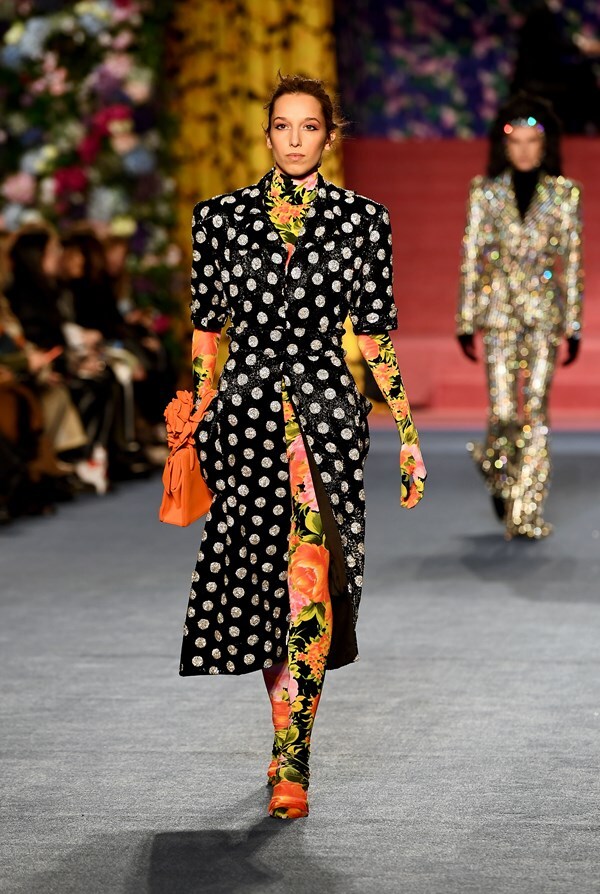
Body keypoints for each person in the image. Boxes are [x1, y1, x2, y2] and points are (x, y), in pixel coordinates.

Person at [179, 74, 427, 819]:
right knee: (262, 590)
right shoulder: (219, 219)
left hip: (325, 420)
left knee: (311, 582)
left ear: (329, 135)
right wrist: (193, 418)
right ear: (266, 135)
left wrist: (408, 434)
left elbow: (375, 336)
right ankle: (284, 726)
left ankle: (294, 758)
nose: (294, 139)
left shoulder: (363, 221)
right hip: (244, 420)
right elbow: (207, 331)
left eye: (308, 126)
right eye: (282, 126)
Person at [457, 93, 583, 540]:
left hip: (545, 317)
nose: (526, 150)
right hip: (497, 316)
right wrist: (465, 319)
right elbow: (472, 256)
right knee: (503, 411)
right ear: (505, 145)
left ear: (545, 146)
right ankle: (496, 468)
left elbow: (573, 261)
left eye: (534, 141)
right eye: (517, 141)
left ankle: (525, 511)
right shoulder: (485, 192)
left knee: (535, 411)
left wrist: (574, 325)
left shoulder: (565, 194)